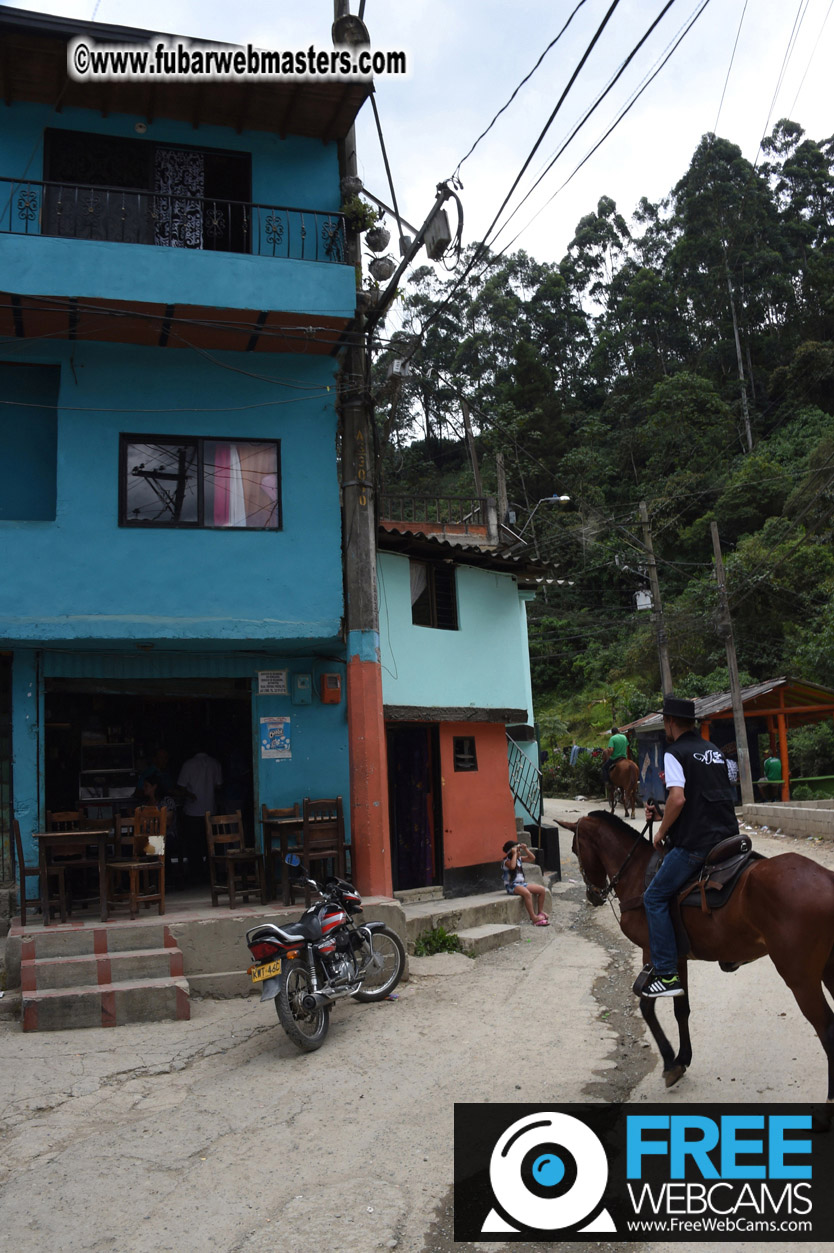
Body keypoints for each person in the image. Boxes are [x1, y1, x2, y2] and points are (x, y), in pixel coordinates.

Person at [640, 696, 739, 999]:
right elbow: (705, 795)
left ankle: (668, 974)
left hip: (697, 844)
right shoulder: (713, 751)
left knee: (654, 897)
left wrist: (661, 830)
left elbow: (679, 798)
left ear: (670, 723)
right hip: (730, 839)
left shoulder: (675, 752)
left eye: (666, 723)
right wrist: (661, 812)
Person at [177, 749, 223, 879]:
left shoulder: (188, 764)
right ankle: (212, 872)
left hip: (193, 810)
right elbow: (219, 786)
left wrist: (190, 794)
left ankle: (196, 874)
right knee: (210, 844)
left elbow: (181, 786)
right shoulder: (215, 763)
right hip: (210, 809)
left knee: (193, 845)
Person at [502, 839, 549, 925]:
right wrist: (515, 854)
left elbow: (532, 858)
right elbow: (512, 867)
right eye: (518, 850)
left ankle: (540, 911)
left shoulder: (519, 859)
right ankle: (533, 917)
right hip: (511, 885)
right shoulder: (506, 862)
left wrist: (526, 849)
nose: (519, 852)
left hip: (521, 884)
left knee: (542, 890)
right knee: (527, 893)